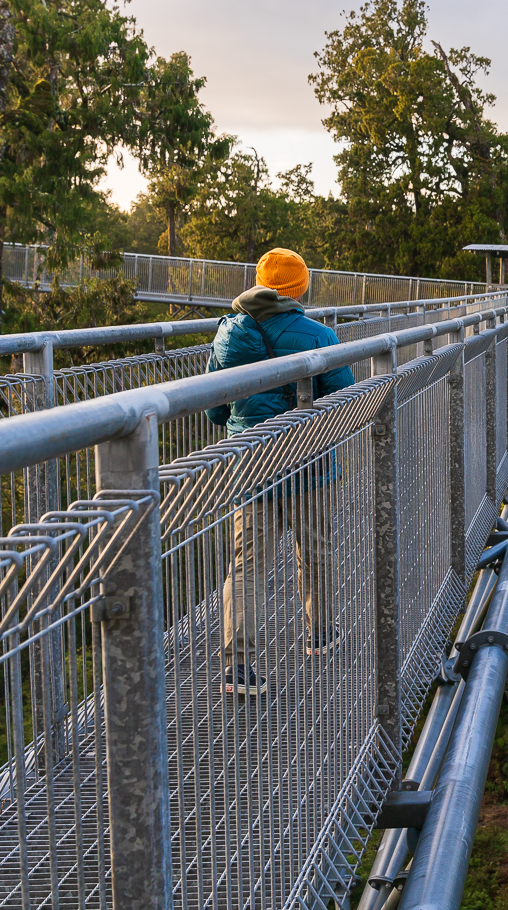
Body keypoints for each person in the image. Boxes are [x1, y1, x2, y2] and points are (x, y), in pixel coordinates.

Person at [205, 248, 354, 697]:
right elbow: (343, 398)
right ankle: (320, 636)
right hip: (307, 457)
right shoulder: (319, 335)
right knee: (315, 549)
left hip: (251, 459)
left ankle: (237, 667)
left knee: (246, 564)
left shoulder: (228, 335)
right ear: (300, 288)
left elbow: (214, 408)